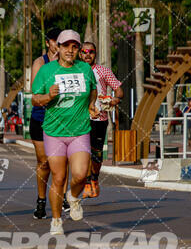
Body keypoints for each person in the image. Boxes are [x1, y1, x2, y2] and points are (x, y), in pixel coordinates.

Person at [32, 29, 98, 235]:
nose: (70, 50)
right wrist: (48, 97)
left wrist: (91, 105)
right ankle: (56, 220)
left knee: (79, 176)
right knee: (58, 178)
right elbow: (35, 98)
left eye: (74, 46)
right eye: (66, 45)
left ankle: (74, 197)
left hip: (79, 130)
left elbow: (93, 89)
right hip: (54, 132)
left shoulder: (85, 69)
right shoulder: (47, 71)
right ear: (58, 48)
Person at [30, 27, 70, 218]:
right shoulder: (40, 62)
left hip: (63, 116)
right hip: (41, 116)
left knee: (62, 160)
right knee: (44, 162)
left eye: (60, 41)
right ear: (48, 43)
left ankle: (61, 197)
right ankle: (41, 200)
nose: (57, 44)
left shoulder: (70, 63)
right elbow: (35, 92)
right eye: (54, 41)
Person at [79, 42, 123, 198]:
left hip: (100, 118)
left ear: (95, 54)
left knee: (96, 155)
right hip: (79, 119)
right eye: (84, 52)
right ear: (79, 54)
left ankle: (95, 179)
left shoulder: (103, 71)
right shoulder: (75, 71)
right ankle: (86, 184)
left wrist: (115, 99)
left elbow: (118, 89)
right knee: (82, 153)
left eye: (91, 52)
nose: (87, 54)